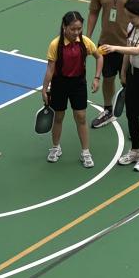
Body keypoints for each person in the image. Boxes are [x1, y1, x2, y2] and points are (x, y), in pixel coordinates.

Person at [85, 0, 139, 128]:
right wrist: (87, 39)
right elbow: (93, 12)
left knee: (130, 82)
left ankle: (135, 119)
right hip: (106, 42)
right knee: (108, 78)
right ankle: (108, 111)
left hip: (129, 46)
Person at [98, 0, 139, 172]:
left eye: (132, 17)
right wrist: (124, 71)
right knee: (131, 114)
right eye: (128, 16)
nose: (130, 20)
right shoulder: (131, 26)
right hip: (134, 76)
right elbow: (129, 52)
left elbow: (137, 50)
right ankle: (135, 150)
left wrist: (115, 48)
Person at [41, 10, 103, 168]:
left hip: (78, 84)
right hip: (59, 84)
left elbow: (99, 57)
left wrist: (97, 78)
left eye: (79, 29)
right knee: (58, 117)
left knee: (81, 117)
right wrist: (44, 89)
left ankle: (85, 152)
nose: (76, 32)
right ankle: (56, 147)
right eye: (73, 29)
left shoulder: (85, 42)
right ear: (64, 26)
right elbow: (50, 69)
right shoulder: (55, 45)